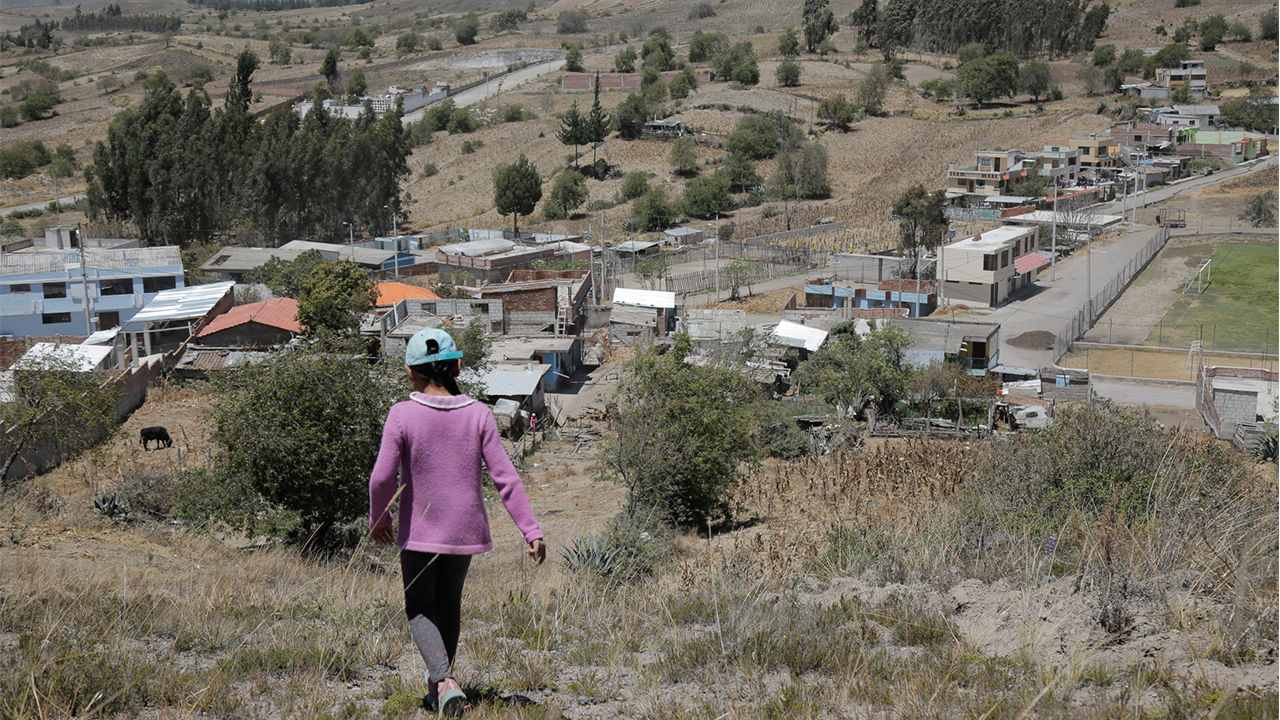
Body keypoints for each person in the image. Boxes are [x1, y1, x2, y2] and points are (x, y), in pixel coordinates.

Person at [370, 327, 546, 718]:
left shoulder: (401, 414)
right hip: (465, 531)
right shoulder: (479, 414)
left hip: (419, 532)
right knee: (448, 605)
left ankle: (445, 680)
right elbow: (506, 478)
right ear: (459, 367)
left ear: (409, 372)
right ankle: (439, 692)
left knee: (419, 608)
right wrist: (530, 530)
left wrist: (380, 516)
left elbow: (382, 477)